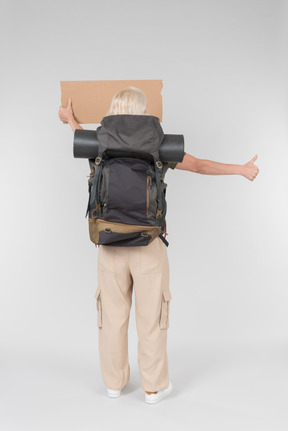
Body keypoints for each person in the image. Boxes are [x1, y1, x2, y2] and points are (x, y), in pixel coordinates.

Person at [58, 87, 259, 404]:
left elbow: (80, 136)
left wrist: (70, 119)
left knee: (112, 317)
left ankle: (113, 383)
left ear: (114, 109)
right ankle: (153, 387)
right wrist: (242, 169)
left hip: (108, 243)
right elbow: (200, 166)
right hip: (149, 244)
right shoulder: (159, 145)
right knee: (151, 318)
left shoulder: (98, 142)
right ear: (143, 111)